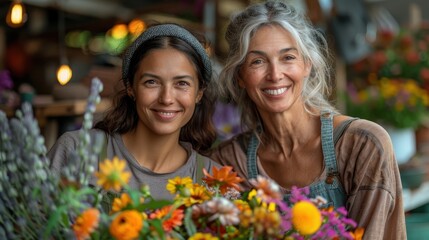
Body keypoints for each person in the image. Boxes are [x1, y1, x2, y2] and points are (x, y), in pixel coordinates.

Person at [208, 1, 406, 239]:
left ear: (307, 65)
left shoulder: (361, 145)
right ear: (240, 75)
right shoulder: (230, 163)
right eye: (257, 61)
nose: (275, 74)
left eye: (288, 57)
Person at [48, 23, 220, 200]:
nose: (167, 98)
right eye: (151, 82)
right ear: (131, 87)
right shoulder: (77, 151)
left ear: (199, 93)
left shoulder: (214, 182)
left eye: (182, 83)